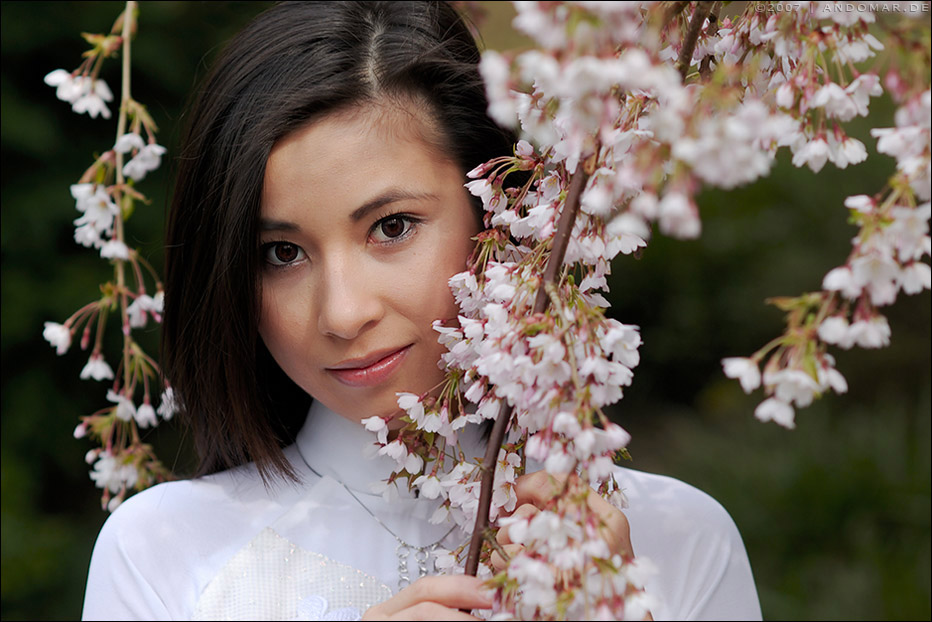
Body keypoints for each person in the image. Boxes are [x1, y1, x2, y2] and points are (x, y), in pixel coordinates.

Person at [82, 2, 762, 620]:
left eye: (392, 227)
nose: (342, 315)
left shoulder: (674, 542)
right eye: (281, 254)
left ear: (497, 213)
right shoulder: (163, 552)